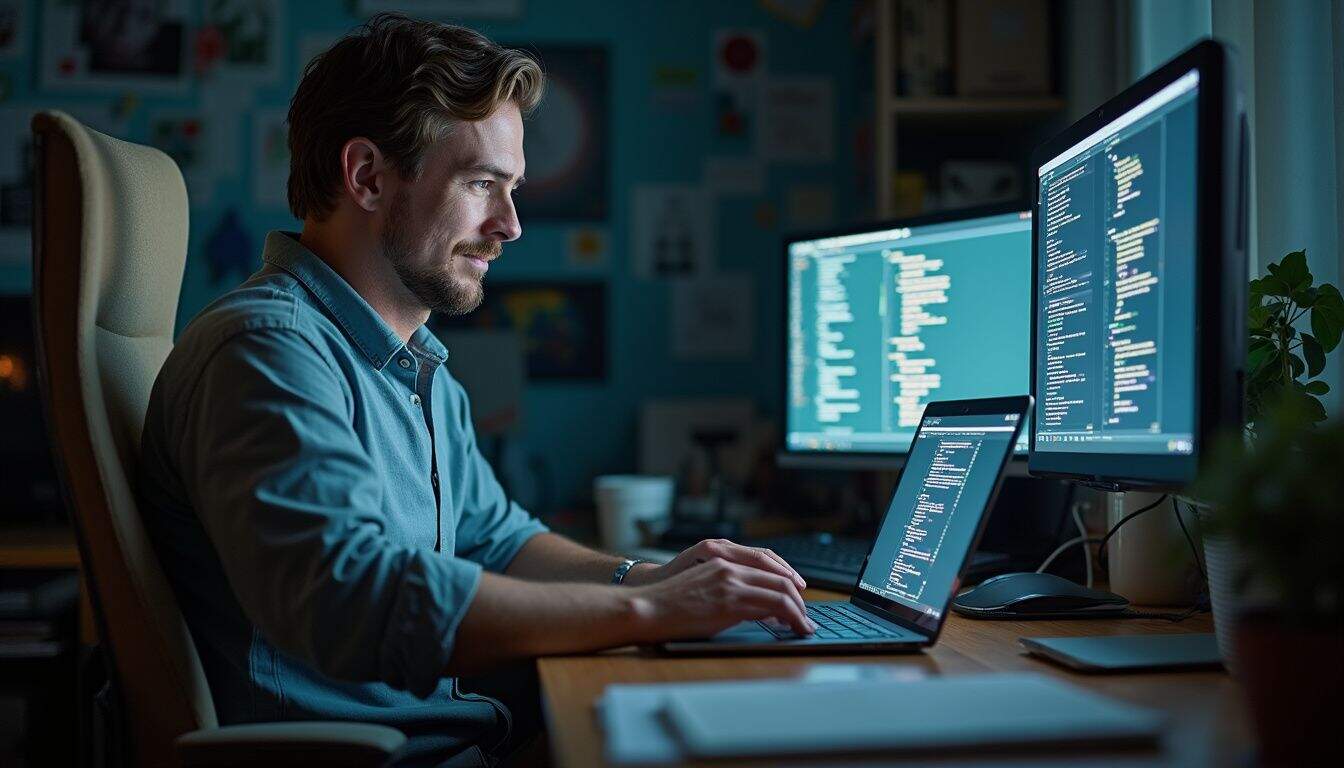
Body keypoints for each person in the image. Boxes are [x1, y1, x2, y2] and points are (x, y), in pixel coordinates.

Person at [137, 14, 813, 767]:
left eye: (512, 187)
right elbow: (355, 600)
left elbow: (497, 540)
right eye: (482, 183)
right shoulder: (269, 351)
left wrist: (655, 575)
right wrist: (650, 609)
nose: (511, 225)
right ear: (366, 176)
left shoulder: (414, 363)